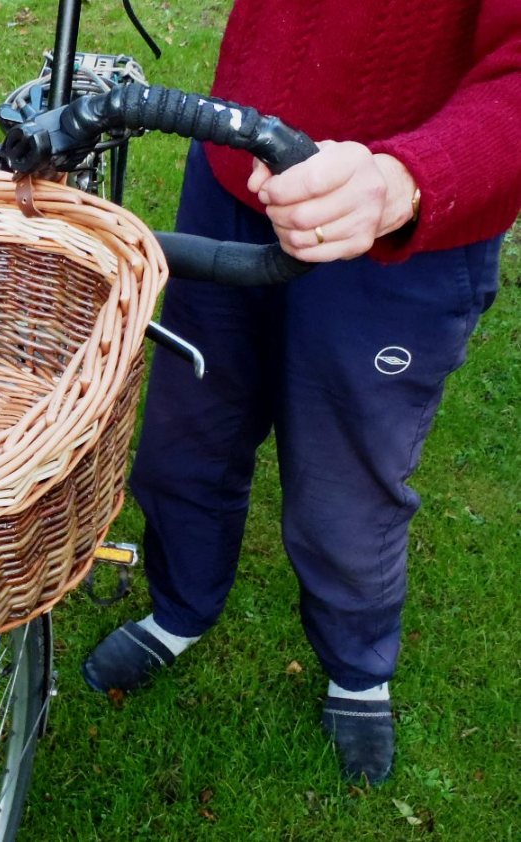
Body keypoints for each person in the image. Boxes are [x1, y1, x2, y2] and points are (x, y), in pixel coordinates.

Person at [82, 0, 521, 784]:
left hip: (392, 226)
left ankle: (357, 668)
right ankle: (180, 609)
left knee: (343, 496)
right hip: (234, 174)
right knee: (186, 442)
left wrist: (400, 182)